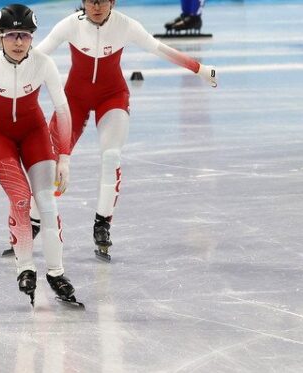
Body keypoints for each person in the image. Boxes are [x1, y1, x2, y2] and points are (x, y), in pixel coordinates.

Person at [36, 0, 217, 261]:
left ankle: (102, 224)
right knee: (48, 163)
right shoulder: (69, 26)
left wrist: (198, 69)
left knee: (111, 156)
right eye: (91, 1)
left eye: (102, 1)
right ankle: (32, 223)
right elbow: (38, 56)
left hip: (112, 96)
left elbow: (159, 49)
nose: (96, 7)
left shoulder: (126, 26)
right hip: (73, 100)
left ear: (113, 2)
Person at [0, 4, 81, 306]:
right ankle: (26, 267)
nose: (19, 42)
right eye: (12, 36)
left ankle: (56, 274)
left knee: (46, 202)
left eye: (26, 36)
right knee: (20, 198)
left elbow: (62, 109)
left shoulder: (43, 63)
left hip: (34, 133)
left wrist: (64, 157)